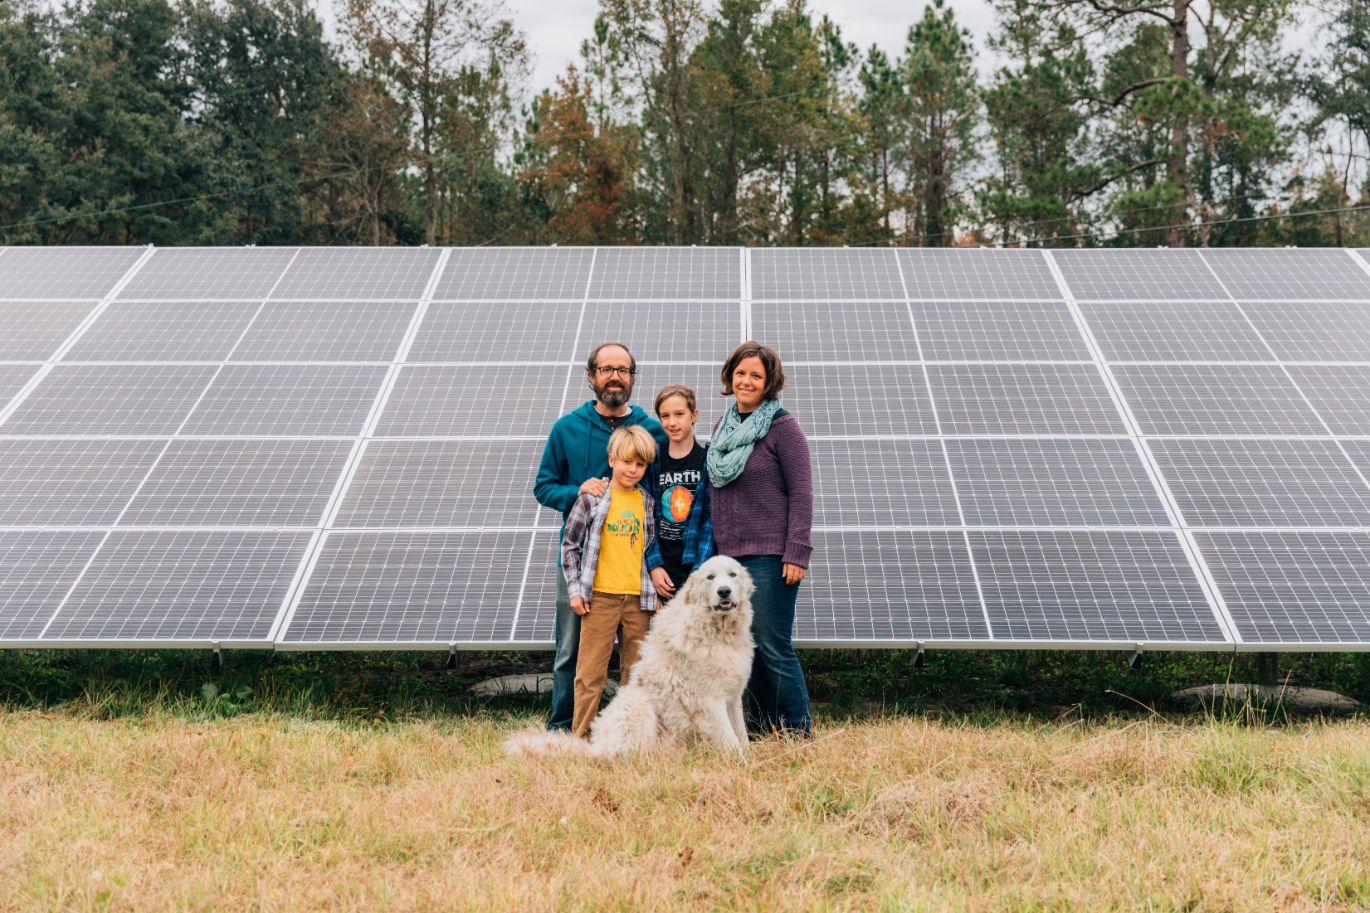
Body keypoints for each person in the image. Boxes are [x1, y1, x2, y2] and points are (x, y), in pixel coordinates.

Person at [534, 342, 667, 732]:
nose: (615, 376)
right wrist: (577, 491)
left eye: (623, 370)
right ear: (591, 376)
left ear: (632, 377)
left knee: (635, 657)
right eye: (606, 369)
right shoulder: (567, 428)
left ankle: (627, 730)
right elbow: (544, 487)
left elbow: (660, 491)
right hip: (582, 560)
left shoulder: (651, 429)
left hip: (632, 565)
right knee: (570, 650)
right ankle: (564, 726)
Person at [707, 341, 814, 738]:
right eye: (740, 373)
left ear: (769, 382)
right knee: (745, 645)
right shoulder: (722, 428)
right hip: (730, 559)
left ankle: (797, 730)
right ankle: (761, 726)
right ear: (729, 377)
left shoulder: (783, 428)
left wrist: (797, 551)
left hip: (771, 555)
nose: (746, 381)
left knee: (772, 643)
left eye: (756, 375)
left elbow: (802, 492)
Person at [559, 426, 659, 738]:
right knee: (590, 674)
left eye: (640, 464)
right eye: (627, 462)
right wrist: (575, 590)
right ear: (613, 459)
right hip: (599, 597)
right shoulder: (593, 498)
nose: (633, 469)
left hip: (637, 601)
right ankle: (582, 736)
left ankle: (628, 737)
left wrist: (654, 595)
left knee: (635, 673)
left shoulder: (647, 502)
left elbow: (649, 549)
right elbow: (569, 545)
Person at [645, 384, 715, 602]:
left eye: (679, 414)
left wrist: (699, 571)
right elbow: (645, 516)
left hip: (694, 564)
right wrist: (654, 565)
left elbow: (711, 520)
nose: (672, 423)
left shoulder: (707, 460)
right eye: (665, 416)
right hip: (661, 568)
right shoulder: (652, 461)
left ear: (694, 415)